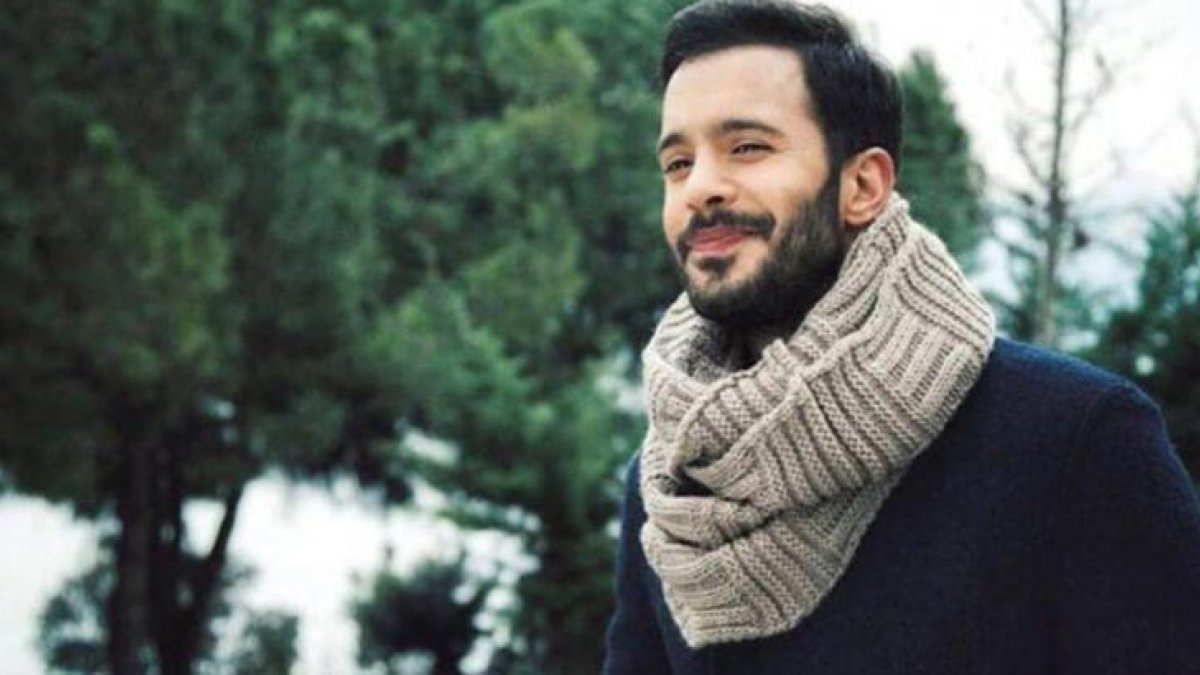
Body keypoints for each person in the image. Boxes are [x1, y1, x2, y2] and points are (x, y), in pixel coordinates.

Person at [601, 1, 1200, 673]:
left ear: (863, 185)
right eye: (678, 163)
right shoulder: (670, 477)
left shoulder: (1074, 439)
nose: (700, 187)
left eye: (747, 147)